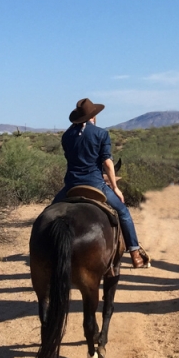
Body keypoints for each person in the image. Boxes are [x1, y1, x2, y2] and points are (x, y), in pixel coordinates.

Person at [53, 98, 148, 268]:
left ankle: (46, 251)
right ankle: (134, 252)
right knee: (123, 212)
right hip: (96, 184)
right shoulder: (101, 134)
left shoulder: (66, 136)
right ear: (93, 116)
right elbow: (107, 163)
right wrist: (115, 188)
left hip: (71, 185)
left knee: (49, 212)